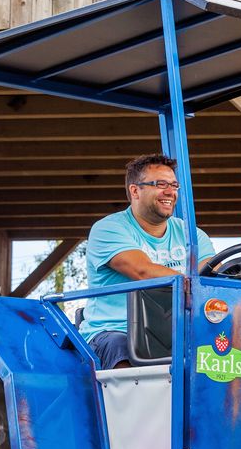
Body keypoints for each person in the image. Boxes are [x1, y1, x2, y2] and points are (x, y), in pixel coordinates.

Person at [80, 154, 214, 368]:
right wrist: (194, 282)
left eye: (174, 185)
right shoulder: (109, 228)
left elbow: (210, 275)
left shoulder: (192, 235)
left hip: (178, 333)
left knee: (229, 347)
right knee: (123, 347)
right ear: (135, 191)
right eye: (160, 184)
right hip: (118, 330)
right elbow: (142, 271)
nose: (170, 192)